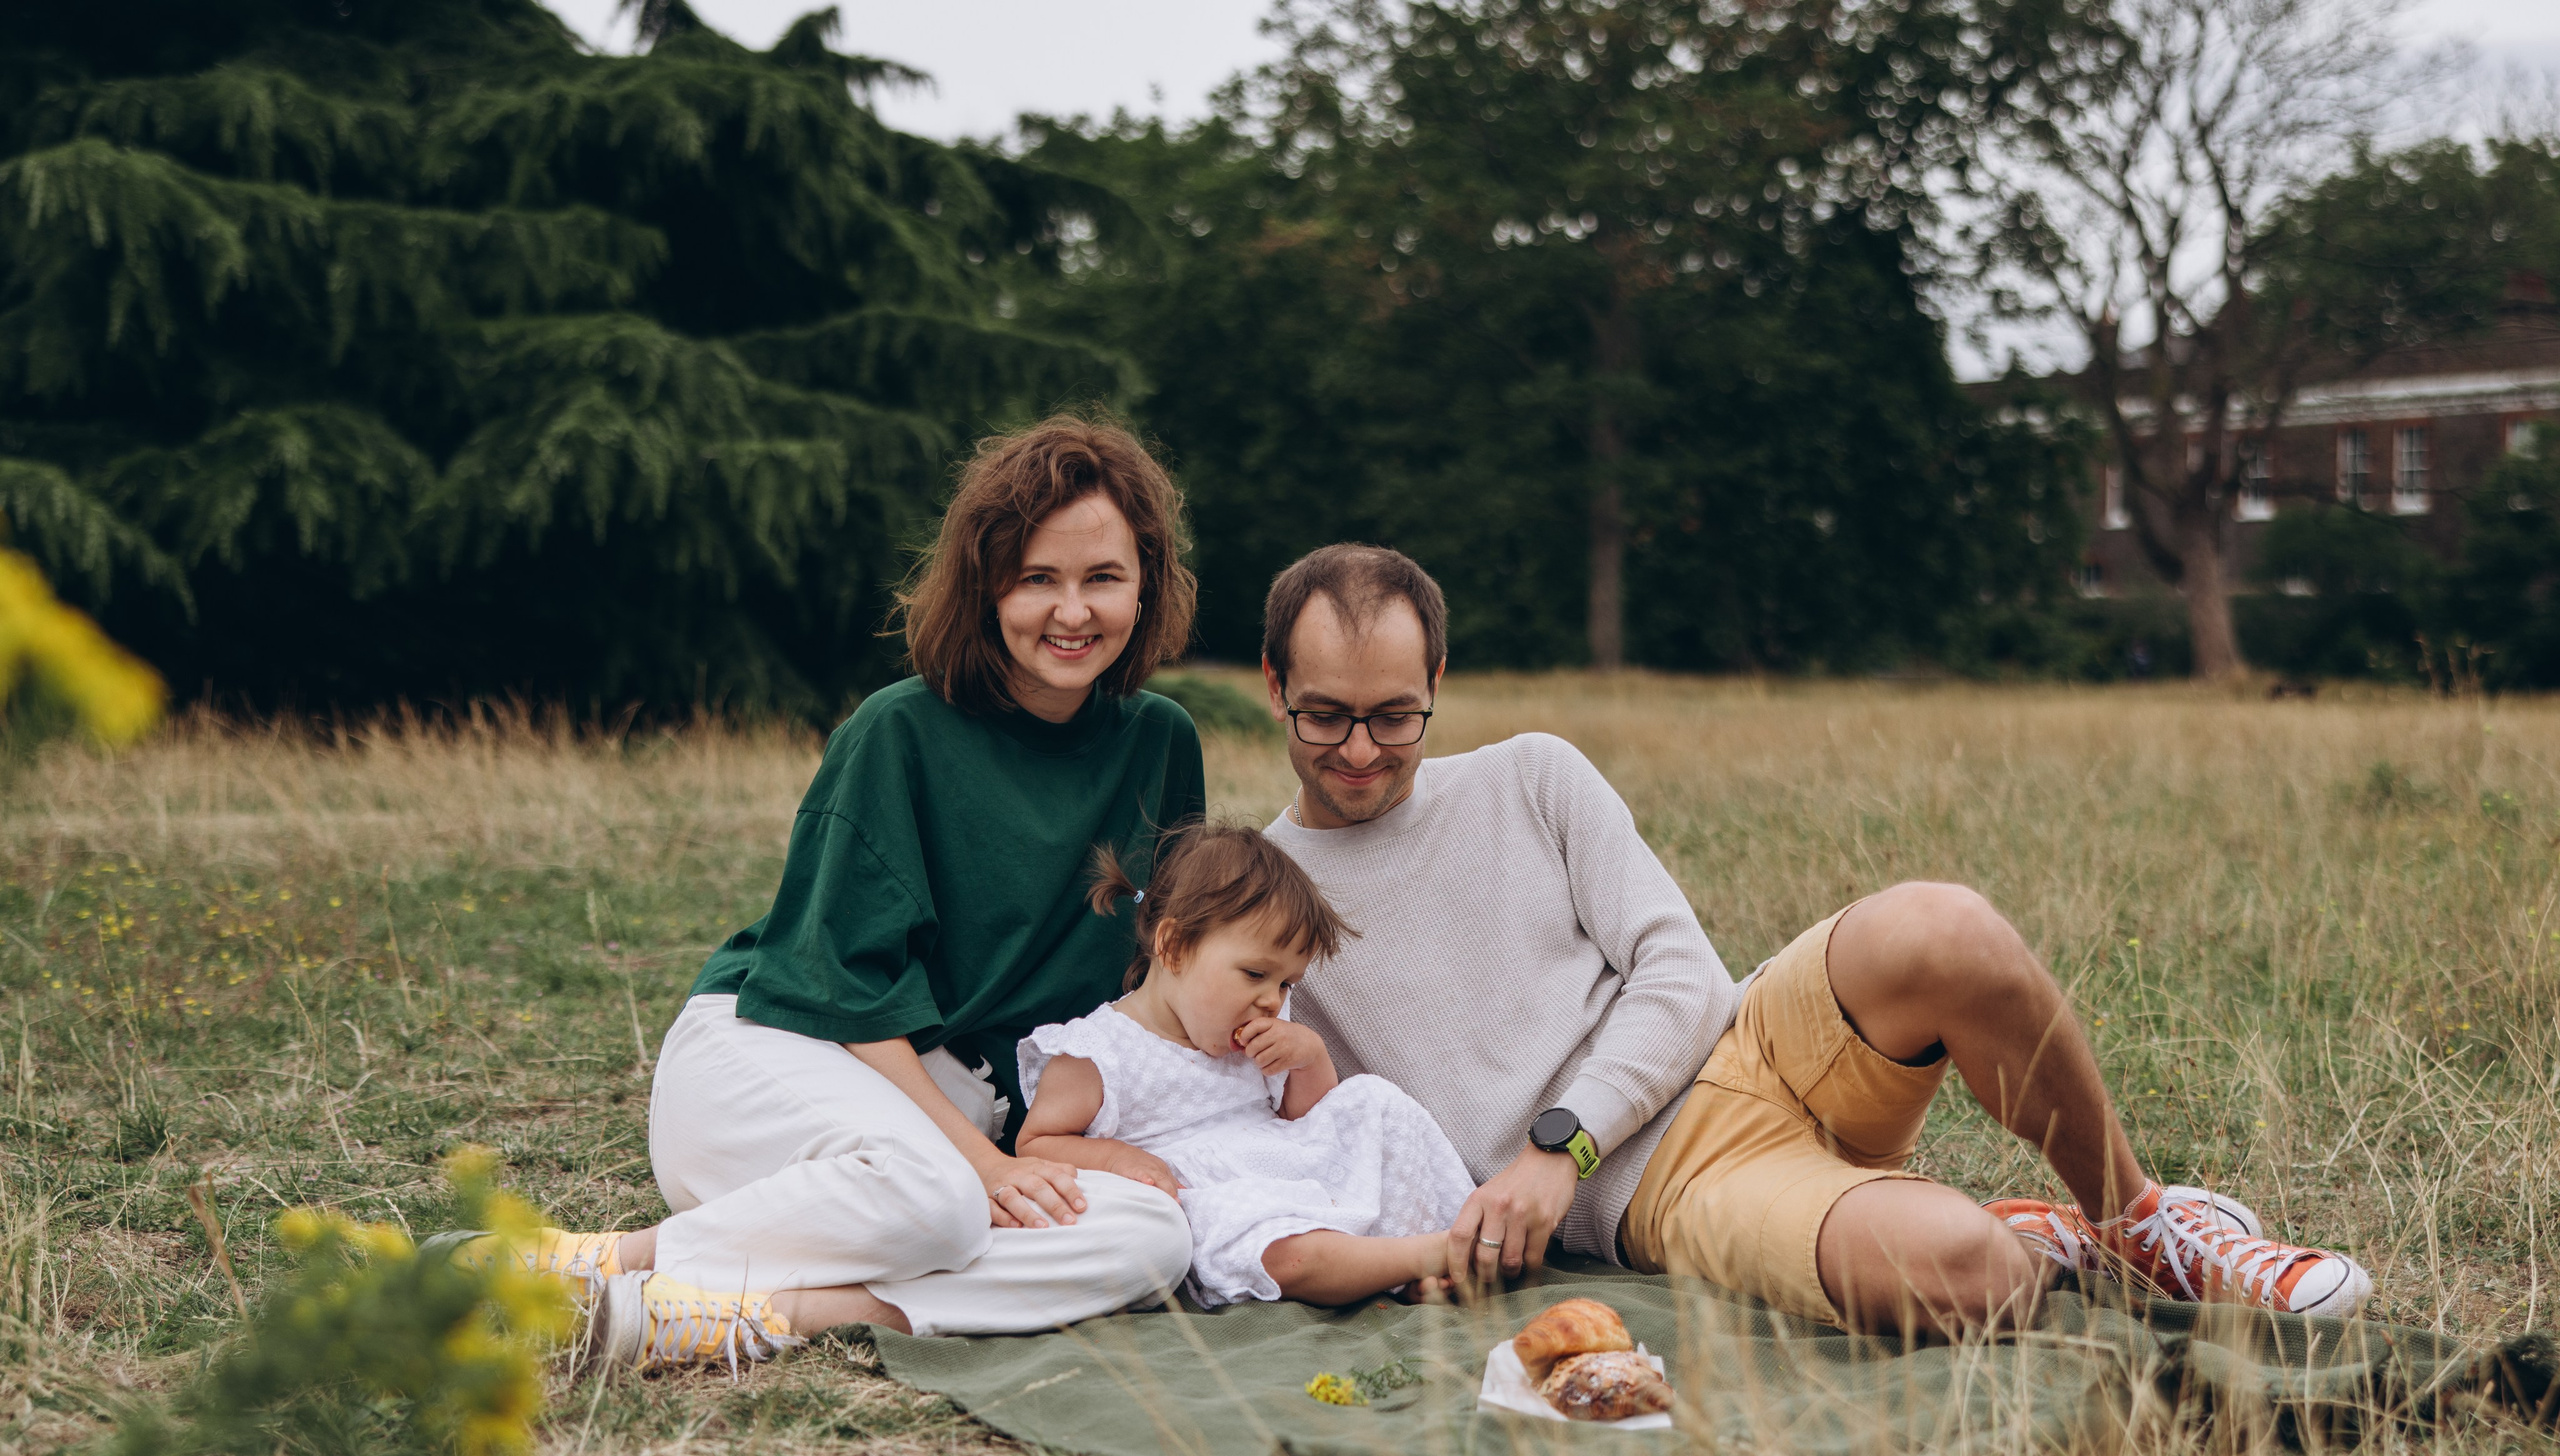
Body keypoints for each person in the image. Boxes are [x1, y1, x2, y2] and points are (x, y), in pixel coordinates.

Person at [1256, 544, 2373, 1336]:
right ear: (1272, 687)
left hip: (1746, 1035)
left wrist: (1561, 1146)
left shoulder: (1532, 775)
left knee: (1945, 926)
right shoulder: (1260, 902)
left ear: (1437, 683)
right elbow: (1309, 1133)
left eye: (1394, 715)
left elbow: (1681, 974)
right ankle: (2035, 1240)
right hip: (1667, 1187)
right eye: (1325, 715)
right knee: (1969, 1273)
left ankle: (2137, 1222)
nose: (1359, 750)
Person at [495, 418, 1202, 1371]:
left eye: (1103, 578)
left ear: (1146, 585)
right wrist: (982, 1165)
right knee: (938, 1201)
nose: (1071, 611)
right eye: (1038, 577)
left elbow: (1161, 972)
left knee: (1155, 1236)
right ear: (987, 584)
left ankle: (760, 1314)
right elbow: (842, 987)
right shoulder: (897, 731)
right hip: (784, 1049)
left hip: (960, 1111)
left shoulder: (1162, 742)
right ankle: (595, 1265)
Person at [1014, 822, 1478, 1308]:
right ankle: (1424, 1255)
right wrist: (1115, 1159)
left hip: (1282, 1166)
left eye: (1286, 984)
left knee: (1374, 1101)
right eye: (1256, 974)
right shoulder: (1097, 1052)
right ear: (1173, 947)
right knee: (1279, 1251)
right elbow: (1034, 1144)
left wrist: (1309, 1058)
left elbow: (1312, 1120)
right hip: (1210, 1199)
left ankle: (1430, 1235)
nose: (1272, 1000)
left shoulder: (1258, 1032)